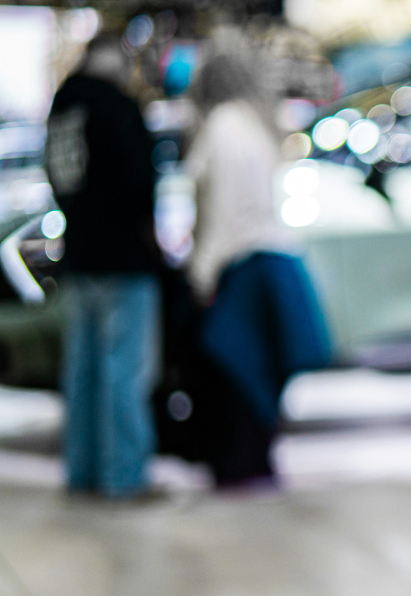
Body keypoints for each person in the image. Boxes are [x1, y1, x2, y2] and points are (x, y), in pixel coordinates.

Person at [186, 51, 330, 487]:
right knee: (259, 372)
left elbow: (224, 214)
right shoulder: (256, 125)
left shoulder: (221, 129)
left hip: (240, 266)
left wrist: (201, 274)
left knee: (234, 369)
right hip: (270, 260)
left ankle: (239, 466)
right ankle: (256, 461)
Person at [45, 34, 162, 499]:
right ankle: (124, 478)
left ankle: (82, 472)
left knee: (83, 373)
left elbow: (57, 177)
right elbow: (140, 184)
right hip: (124, 259)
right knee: (125, 372)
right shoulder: (118, 107)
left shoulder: (63, 107)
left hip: (79, 254)